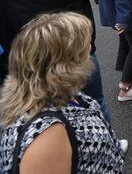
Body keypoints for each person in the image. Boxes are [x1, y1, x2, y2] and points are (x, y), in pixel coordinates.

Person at [0, 12, 125, 173]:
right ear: (64, 64)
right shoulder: (46, 136)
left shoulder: (59, 93)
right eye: (83, 45)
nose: (89, 47)